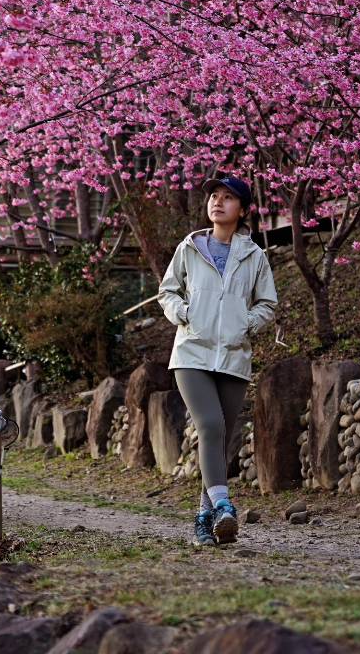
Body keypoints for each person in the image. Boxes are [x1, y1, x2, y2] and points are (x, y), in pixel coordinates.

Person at [157, 174, 277, 546]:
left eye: (228, 198)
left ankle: (203, 521)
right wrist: (184, 313)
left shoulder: (254, 256)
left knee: (221, 438)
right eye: (213, 196)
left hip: (234, 356)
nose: (217, 202)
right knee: (210, 425)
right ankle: (225, 507)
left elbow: (267, 304)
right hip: (192, 352)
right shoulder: (190, 247)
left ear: (242, 210)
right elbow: (167, 291)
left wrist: (246, 324)